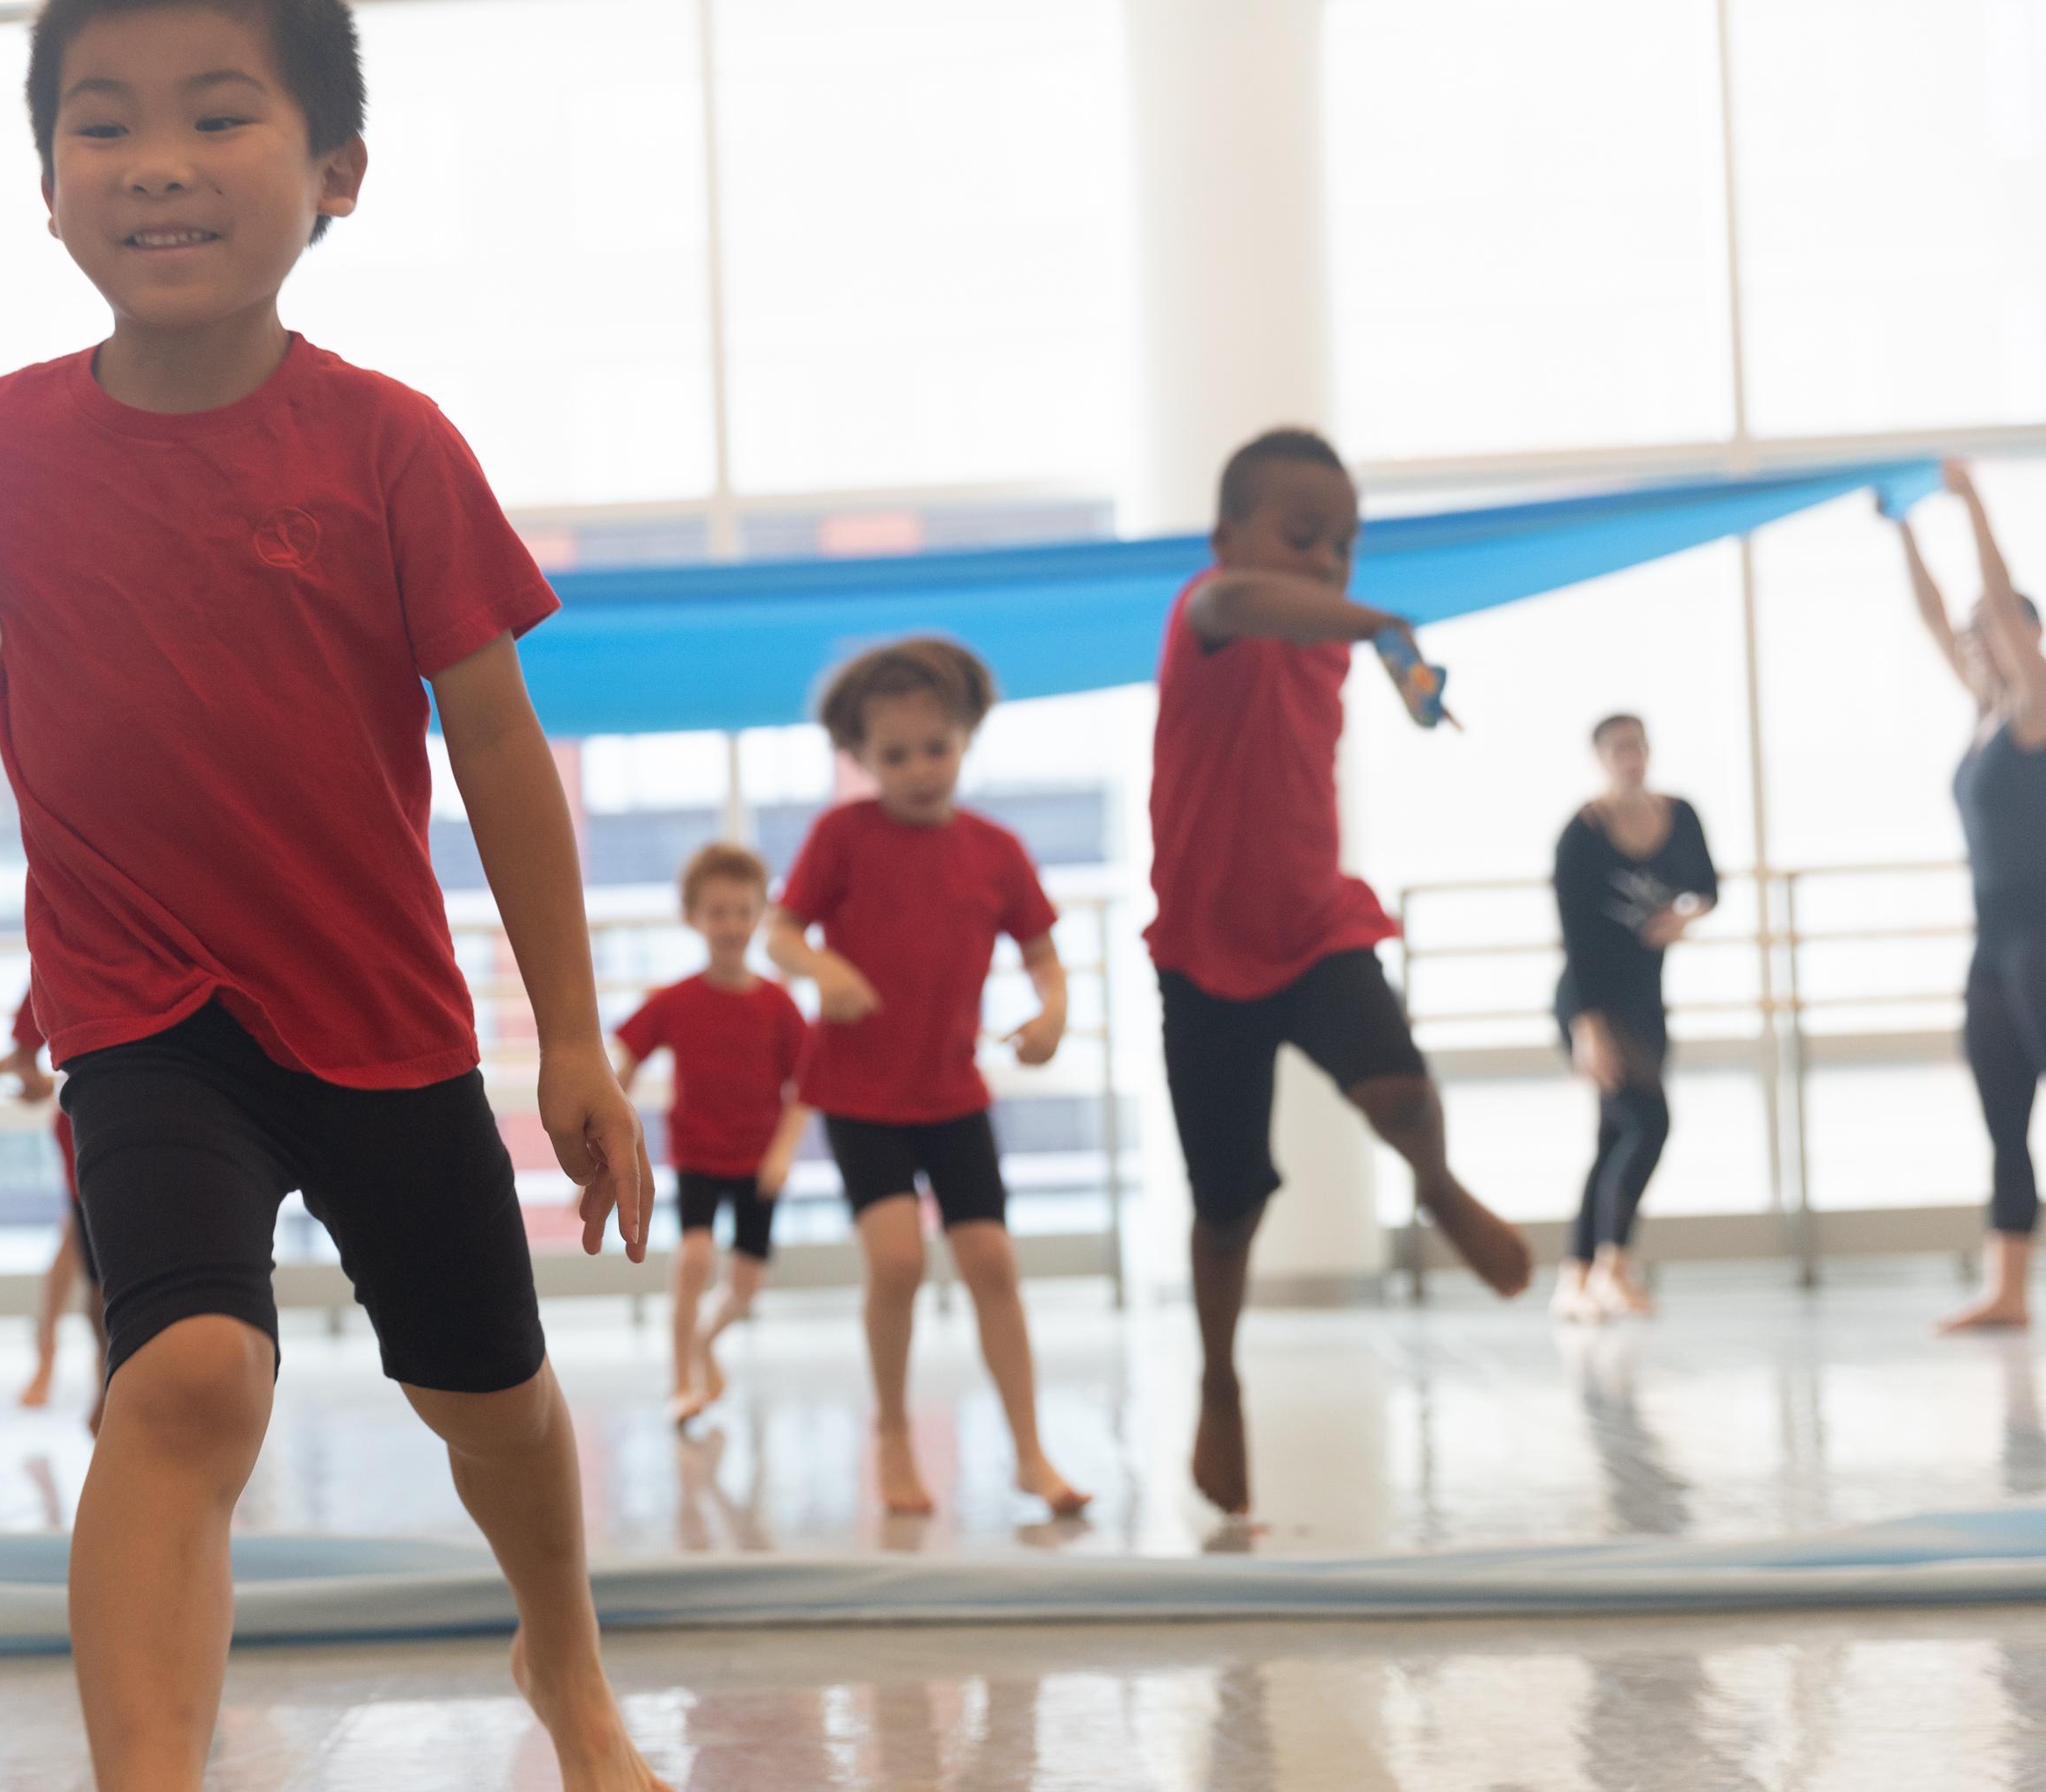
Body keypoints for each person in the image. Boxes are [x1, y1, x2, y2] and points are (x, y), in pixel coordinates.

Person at [0, 0, 682, 1792]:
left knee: (488, 1400)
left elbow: (497, 744)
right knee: (192, 1373)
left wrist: (567, 1035)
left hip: (384, 1019)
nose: (155, 158)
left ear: (334, 172)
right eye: (102, 122)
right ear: (47, 182)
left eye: (220, 113)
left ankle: (562, 1651)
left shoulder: (387, 444)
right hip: (146, 1008)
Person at [1149, 428, 1532, 1517]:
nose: (1325, 561)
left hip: (1313, 927)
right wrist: (1382, 623)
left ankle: (1438, 1184)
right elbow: (1239, 604)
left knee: (1401, 1091)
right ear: (1228, 537)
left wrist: (1369, 634)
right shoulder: (1206, 614)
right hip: (1203, 952)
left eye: (1346, 547)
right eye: (1301, 536)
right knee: (1227, 1210)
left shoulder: (1323, 643)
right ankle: (1220, 1379)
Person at [767, 639, 1090, 1523]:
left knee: (992, 1260)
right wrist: (820, 970)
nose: (918, 770)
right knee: (900, 1263)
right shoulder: (842, 837)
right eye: (894, 756)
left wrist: (1052, 1014)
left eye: (935, 749)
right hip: (862, 1096)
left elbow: (1045, 958)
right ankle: (894, 1432)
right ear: (862, 760)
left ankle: (1029, 1449)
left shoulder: (997, 851)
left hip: (952, 1093)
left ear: (966, 739)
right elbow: (782, 931)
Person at [1900, 458, 2046, 1332]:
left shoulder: (2035, 706)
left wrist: (1974, 506)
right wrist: (1903, 526)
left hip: (2045, 934)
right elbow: (1932, 619)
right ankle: (2006, 1292)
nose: (1975, 640)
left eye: (1992, 630)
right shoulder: (1984, 713)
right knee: (2002, 1109)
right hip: (1993, 944)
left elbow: (1994, 599)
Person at [613, 843, 808, 1423]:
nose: (730, 924)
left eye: (742, 911)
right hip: (698, 1154)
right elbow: (624, 1062)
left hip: (758, 1163)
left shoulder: (779, 1005)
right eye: (716, 912)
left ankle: (703, 1344)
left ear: (761, 915)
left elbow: (806, 1089)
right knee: (694, 1257)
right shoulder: (675, 1001)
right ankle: (680, 1381)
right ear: (692, 917)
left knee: (746, 1285)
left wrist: (783, 1154)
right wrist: (610, 1128)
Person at [1549, 714, 1718, 1322]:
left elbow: (1707, 885)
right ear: (1599, 756)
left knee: (1612, 1137)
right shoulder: (1581, 833)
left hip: (1646, 1000)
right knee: (1649, 1123)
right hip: (1590, 1002)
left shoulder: (1682, 814)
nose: (1630, 757)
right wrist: (1586, 1031)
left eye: (1637, 745)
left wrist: (1684, 914)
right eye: (1618, 748)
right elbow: (1573, 939)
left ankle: (1576, 1276)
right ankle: (1613, 1264)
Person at [0, 990, 106, 1419]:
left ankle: (80, 1370)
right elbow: (27, 1049)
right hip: (90, 1127)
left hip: (114, 1123)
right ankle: (90, 1375)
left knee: (82, 1250)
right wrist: (27, 1071)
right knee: (92, 1265)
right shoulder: (60, 947)